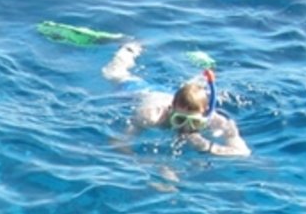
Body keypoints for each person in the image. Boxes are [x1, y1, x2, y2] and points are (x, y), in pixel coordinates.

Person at [103, 42, 251, 157]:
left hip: (171, 94)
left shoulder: (216, 120)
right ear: (171, 109)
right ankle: (129, 47)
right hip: (141, 91)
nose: (185, 128)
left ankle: (205, 68)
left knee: (196, 88)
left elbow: (243, 153)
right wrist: (145, 162)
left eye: (194, 122)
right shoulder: (151, 116)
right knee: (113, 74)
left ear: (205, 113)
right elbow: (118, 143)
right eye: (179, 120)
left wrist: (207, 145)